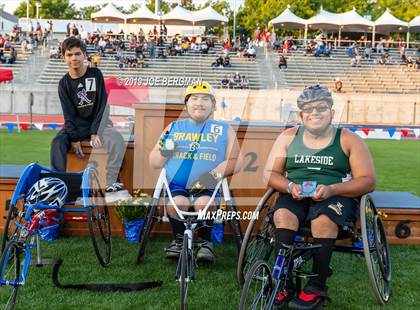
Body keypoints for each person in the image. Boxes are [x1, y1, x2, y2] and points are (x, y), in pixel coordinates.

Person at [264, 85, 376, 309]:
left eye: (321, 108)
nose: (315, 112)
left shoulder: (348, 139)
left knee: (323, 221)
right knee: (283, 216)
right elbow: (269, 174)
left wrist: (332, 189)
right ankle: (283, 283)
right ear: (301, 115)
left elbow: (368, 180)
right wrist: (289, 186)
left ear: (332, 112)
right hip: (295, 194)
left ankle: (317, 286)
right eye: (308, 109)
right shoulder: (288, 137)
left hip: (335, 195)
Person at [149, 81, 243, 263]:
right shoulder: (173, 127)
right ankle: (178, 241)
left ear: (213, 105)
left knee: (204, 204)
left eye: (205, 99)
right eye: (194, 98)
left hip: (208, 184)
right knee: (177, 203)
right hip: (177, 183)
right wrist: (163, 153)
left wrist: (214, 174)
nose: (199, 103)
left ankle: (205, 242)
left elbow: (237, 161)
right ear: (186, 104)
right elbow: (153, 162)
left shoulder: (224, 129)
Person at [50, 37, 126, 197]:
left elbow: (103, 106)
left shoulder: (95, 74)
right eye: (69, 55)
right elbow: (68, 114)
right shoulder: (63, 83)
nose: (74, 58)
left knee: (117, 139)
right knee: (57, 143)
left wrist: (95, 132)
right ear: (64, 57)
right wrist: (74, 138)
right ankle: (59, 186)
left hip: (98, 124)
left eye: (77, 54)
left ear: (84, 55)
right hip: (76, 126)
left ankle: (111, 181)